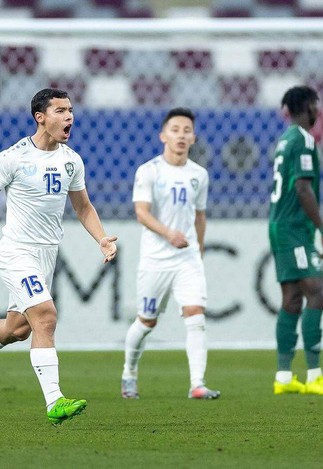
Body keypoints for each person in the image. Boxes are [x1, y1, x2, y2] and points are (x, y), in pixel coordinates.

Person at [0, 88, 117, 425]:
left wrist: (102, 239)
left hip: (47, 256)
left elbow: (83, 206)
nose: (70, 116)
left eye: (71, 110)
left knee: (18, 329)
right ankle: (54, 402)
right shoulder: (13, 157)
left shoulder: (71, 160)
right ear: (40, 117)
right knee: (45, 317)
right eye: (61, 110)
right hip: (17, 253)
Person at [121, 107, 220, 400]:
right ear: (163, 135)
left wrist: (198, 249)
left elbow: (200, 216)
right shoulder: (149, 171)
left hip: (187, 258)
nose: (181, 135)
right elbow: (141, 212)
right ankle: (129, 372)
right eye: (175, 129)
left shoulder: (199, 175)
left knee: (195, 315)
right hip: (156, 259)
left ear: (193, 138)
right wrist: (168, 234)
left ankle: (197, 384)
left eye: (186, 130)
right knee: (146, 322)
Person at [269, 86, 323, 395]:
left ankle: (283, 379)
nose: (318, 110)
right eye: (316, 104)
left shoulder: (284, 140)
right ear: (309, 106)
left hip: (280, 224)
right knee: (316, 292)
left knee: (293, 299)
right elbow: (302, 188)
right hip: (295, 228)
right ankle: (314, 376)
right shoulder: (303, 139)